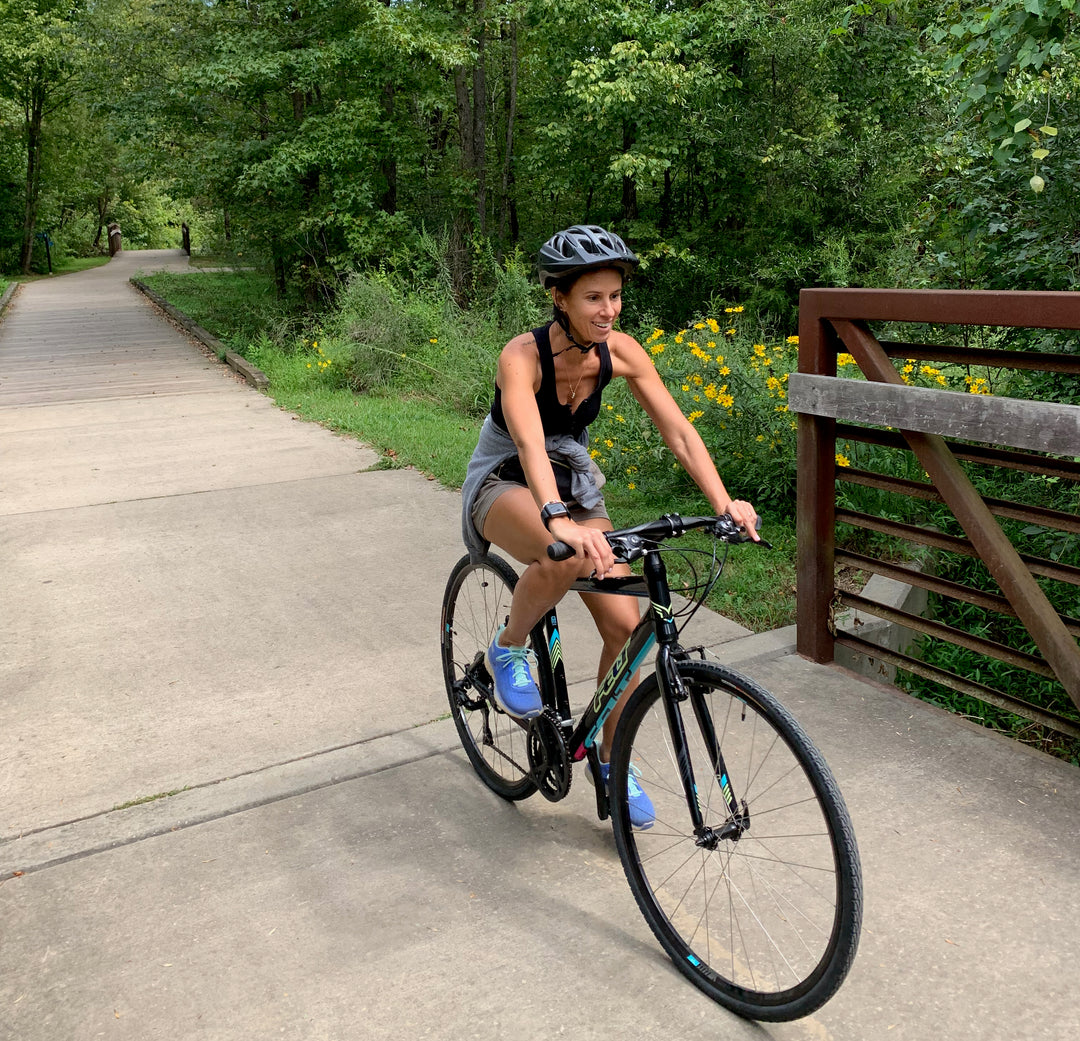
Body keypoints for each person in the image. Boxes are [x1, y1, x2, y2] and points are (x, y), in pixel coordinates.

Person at [460, 224, 759, 829]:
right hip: (502, 483)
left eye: (615, 296)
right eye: (593, 297)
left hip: (572, 487)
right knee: (562, 553)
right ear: (560, 298)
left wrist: (725, 501)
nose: (608, 309)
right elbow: (527, 440)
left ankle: (609, 756)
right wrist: (557, 519)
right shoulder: (521, 356)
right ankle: (507, 647)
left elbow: (677, 431)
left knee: (629, 625)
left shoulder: (619, 352)